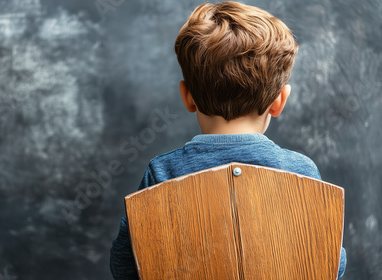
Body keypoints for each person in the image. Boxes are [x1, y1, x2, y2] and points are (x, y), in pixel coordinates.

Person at [109, 1, 347, 279]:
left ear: (187, 96)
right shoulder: (300, 170)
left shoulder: (162, 172)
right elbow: (330, 263)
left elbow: (126, 265)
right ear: (279, 101)